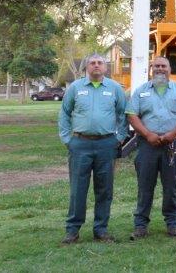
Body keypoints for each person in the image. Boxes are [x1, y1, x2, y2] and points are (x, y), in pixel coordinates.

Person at [58, 53, 128, 245]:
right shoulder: (75, 87)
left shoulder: (114, 88)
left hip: (106, 145)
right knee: (77, 189)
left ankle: (101, 230)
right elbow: (64, 113)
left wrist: (119, 138)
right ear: (86, 67)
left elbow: (123, 114)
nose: (96, 66)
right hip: (80, 144)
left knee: (104, 189)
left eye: (100, 63)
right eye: (92, 63)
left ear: (106, 67)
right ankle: (72, 231)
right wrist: (67, 138)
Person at [127, 56, 176, 240]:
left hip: (171, 144)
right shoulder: (141, 91)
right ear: (151, 69)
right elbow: (132, 115)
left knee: (171, 187)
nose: (160, 69)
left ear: (170, 69)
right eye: (157, 66)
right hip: (147, 144)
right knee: (145, 186)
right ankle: (140, 226)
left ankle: (173, 224)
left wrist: (173, 133)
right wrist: (147, 134)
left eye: (164, 66)